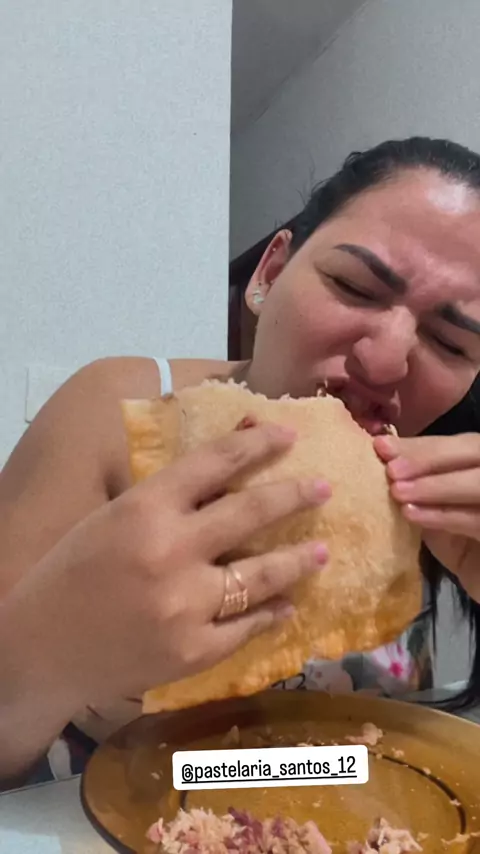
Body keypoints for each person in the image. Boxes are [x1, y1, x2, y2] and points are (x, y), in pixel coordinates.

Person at [2, 135, 480, 787]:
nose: (385, 360)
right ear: (269, 274)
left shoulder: (443, 496)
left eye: (450, 342)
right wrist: (52, 652)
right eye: (354, 286)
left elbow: (360, 765)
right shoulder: (121, 410)